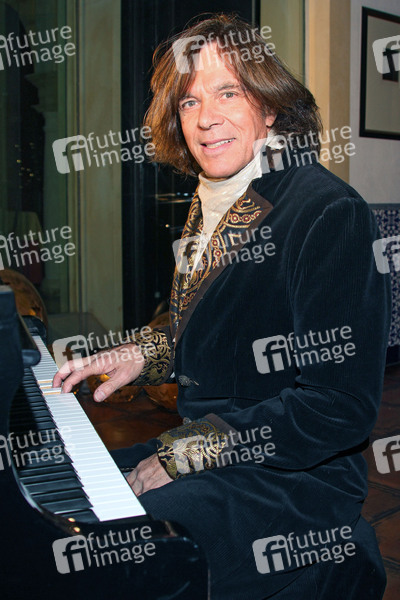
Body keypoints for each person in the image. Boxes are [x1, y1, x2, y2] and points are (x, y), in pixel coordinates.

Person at [54, 14, 391, 600]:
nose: (205, 118)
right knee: (73, 490)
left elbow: (339, 408)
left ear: (270, 106)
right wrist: (141, 354)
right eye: (188, 102)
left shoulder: (327, 212)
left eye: (227, 92)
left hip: (295, 478)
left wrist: (185, 453)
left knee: (112, 555)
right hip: (213, 444)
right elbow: (222, 324)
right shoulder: (215, 197)